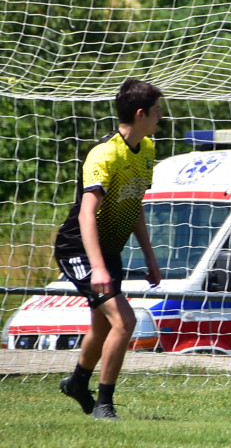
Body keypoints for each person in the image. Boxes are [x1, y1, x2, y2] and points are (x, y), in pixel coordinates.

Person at [56, 79, 165, 421]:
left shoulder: (147, 149)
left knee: (103, 326)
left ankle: (78, 383)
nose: (161, 116)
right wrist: (99, 267)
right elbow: (87, 213)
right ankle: (104, 403)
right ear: (140, 114)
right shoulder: (104, 154)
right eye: (157, 111)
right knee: (125, 320)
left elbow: (134, 203)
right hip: (79, 248)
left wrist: (149, 256)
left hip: (108, 250)